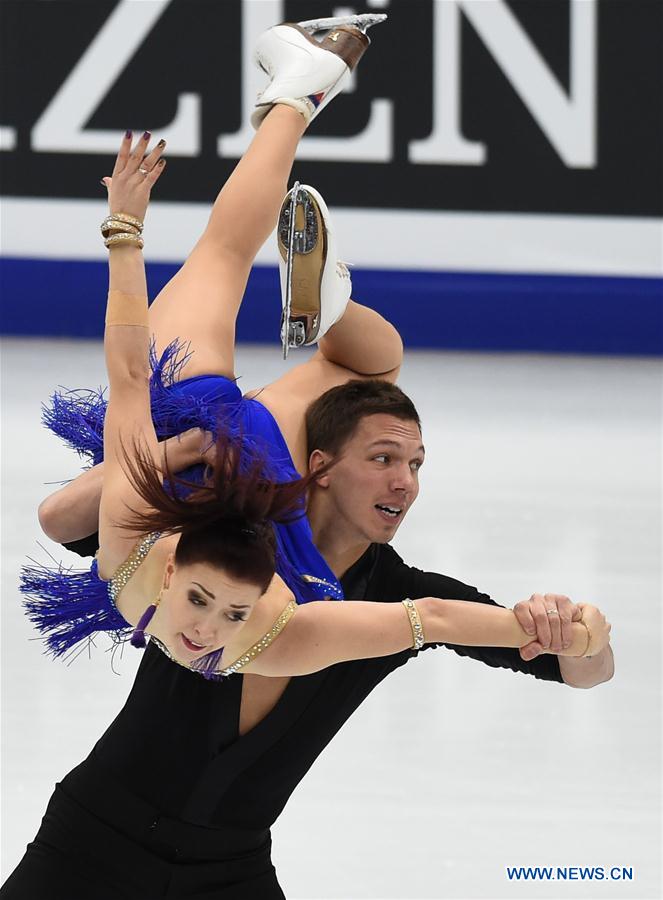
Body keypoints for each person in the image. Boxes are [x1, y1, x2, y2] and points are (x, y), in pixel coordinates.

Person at [6, 18, 613, 900]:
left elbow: (535, 648)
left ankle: (302, 107)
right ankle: (307, 156)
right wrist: (122, 242)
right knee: (345, 357)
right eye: (385, 462)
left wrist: (574, 627)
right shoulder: (174, 557)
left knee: (299, 321)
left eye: (415, 464)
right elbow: (85, 471)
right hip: (95, 835)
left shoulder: (215, 579)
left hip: (226, 860)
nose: (204, 628)